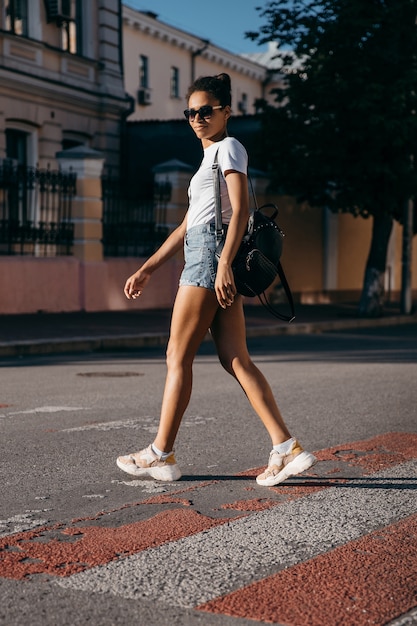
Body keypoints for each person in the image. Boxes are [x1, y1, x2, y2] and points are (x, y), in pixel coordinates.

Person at [116, 73, 316, 487]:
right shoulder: (206, 161)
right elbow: (187, 226)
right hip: (205, 255)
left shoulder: (229, 148)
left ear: (227, 111)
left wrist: (224, 263)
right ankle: (286, 447)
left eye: (206, 111)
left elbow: (240, 209)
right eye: (191, 112)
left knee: (177, 357)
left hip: (210, 260)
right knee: (235, 359)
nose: (197, 118)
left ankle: (160, 454)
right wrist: (148, 267)